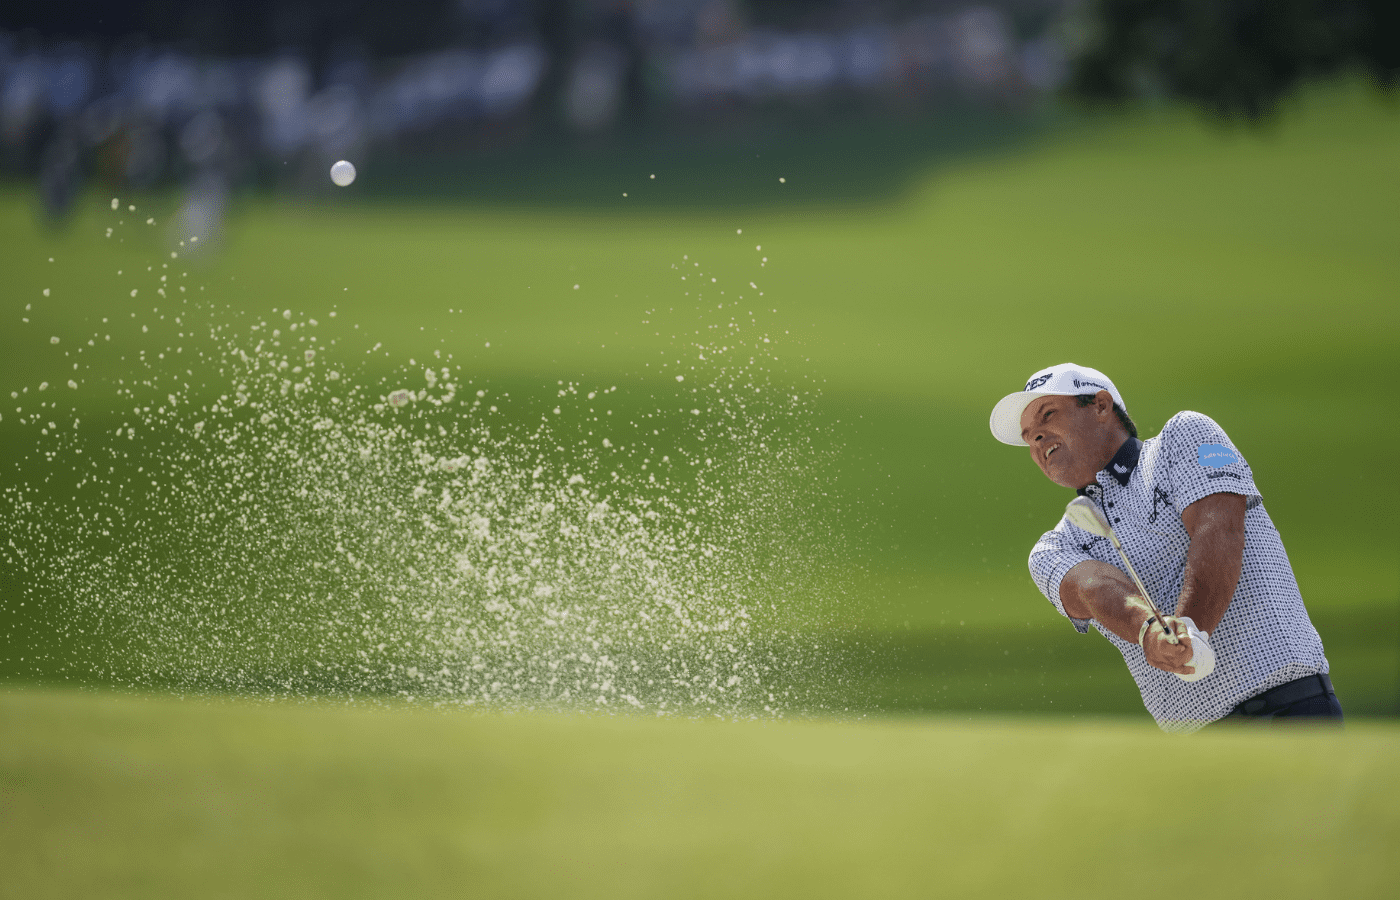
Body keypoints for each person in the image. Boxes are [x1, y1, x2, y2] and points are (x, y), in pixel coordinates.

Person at [989, 363, 1341, 732]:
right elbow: (1091, 587)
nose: (1038, 439)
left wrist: (1189, 628)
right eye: (1030, 437)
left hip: (1292, 707)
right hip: (1195, 746)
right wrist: (1151, 631)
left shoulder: (1185, 436)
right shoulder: (1054, 547)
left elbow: (1218, 529)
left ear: (1101, 406)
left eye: (1048, 415)